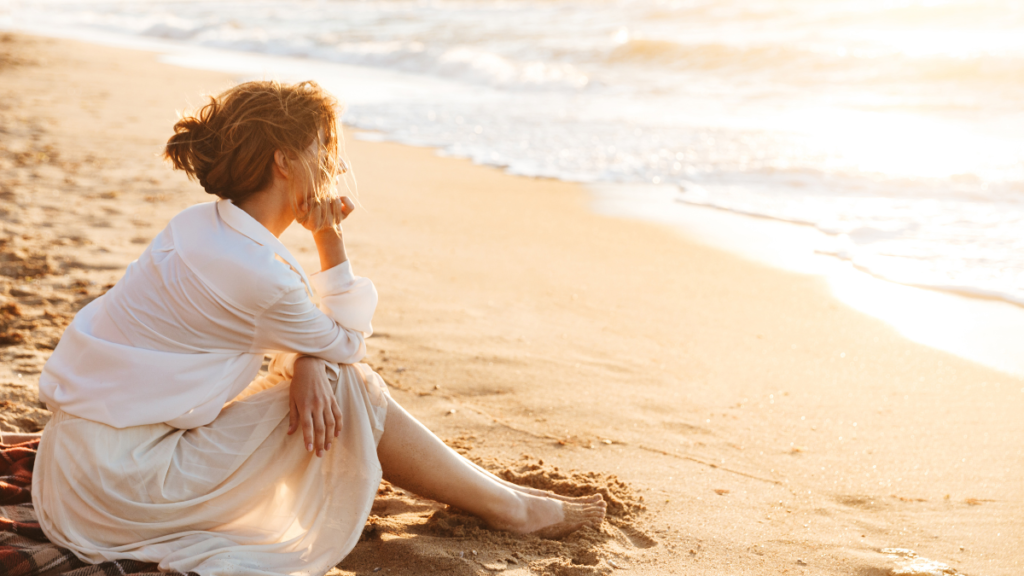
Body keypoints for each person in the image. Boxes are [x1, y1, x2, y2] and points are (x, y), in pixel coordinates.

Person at [29, 80, 605, 576]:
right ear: (284, 161)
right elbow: (347, 344)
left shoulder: (199, 227)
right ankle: (514, 509)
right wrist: (329, 242)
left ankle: (506, 497)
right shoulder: (260, 275)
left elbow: (292, 331)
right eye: (320, 146)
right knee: (353, 385)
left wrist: (308, 358)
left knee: (327, 373)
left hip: (77, 470)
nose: (331, 160)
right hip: (123, 493)